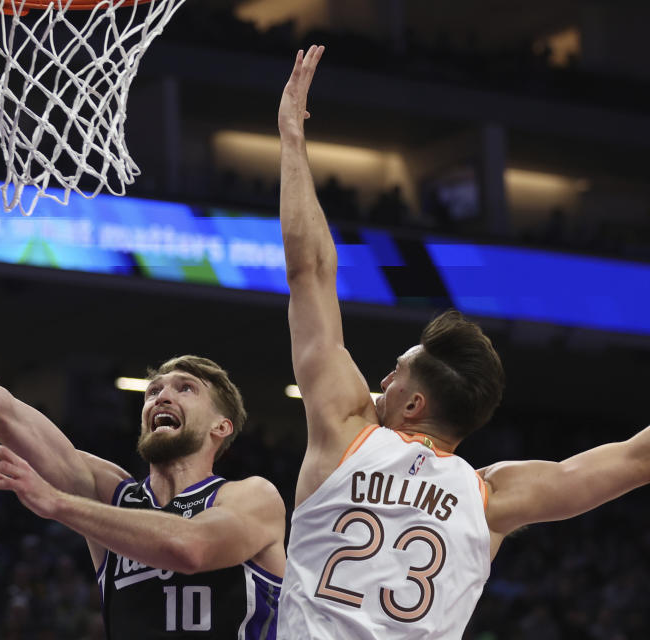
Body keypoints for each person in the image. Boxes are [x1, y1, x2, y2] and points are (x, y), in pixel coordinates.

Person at [276, 45, 650, 638]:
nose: (383, 381)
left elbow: (310, 273)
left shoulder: (345, 431)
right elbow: (638, 457)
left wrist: (292, 143)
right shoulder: (491, 496)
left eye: (396, 372)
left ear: (415, 404)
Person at [0, 237, 285, 639]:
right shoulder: (111, 492)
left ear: (221, 427)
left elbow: (190, 549)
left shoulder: (253, 498)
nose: (162, 395)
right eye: (154, 389)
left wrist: (58, 504)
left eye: (186, 388)